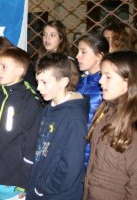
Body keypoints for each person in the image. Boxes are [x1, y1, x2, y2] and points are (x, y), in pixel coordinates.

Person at [0, 47, 43, 200]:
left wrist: (24, 182)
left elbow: (32, 145)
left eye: (4, 67)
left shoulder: (29, 102)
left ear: (20, 70)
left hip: (15, 185)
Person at [27, 53, 89, 200]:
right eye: (37, 82)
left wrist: (43, 187)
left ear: (63, 81)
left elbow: (70, 167)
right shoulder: (50, 107)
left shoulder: (74, 118)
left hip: (57, 194)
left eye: (44, 82)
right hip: (39, 189)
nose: (38, 88)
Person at [83, 51, 137, 200]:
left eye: (108, 76)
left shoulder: (132, 123)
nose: (100, 81)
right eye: (101, 75)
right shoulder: (106, 111)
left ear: (129, 81)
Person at [75, 34, 109, 167]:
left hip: (93, 155)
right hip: (76, 149)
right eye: (78, 51)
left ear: (99, 56)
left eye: (83, 52)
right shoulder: (80, 82)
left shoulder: (105, 87)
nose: (78, 56)